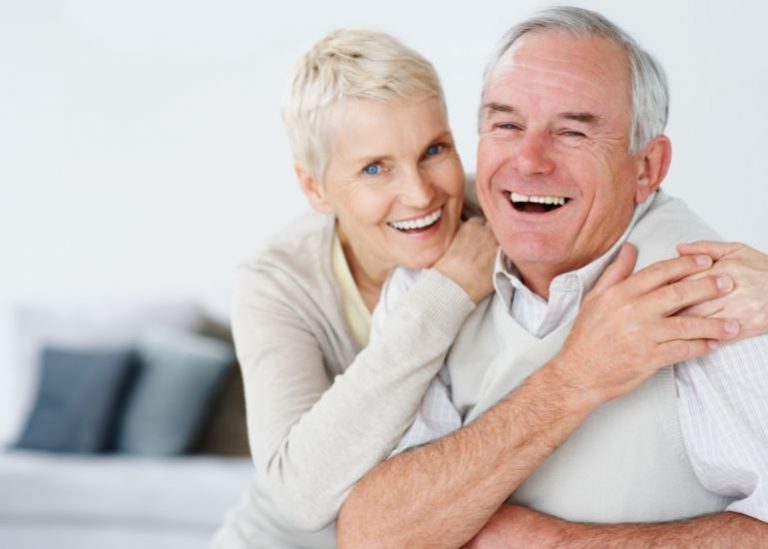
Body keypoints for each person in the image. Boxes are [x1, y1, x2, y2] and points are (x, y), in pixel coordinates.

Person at [213, 25, 768, 549]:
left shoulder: (513, 211)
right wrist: (568, 368)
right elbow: (323, 508)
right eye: (374, 168)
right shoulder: (294, 282)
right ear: (315, 188)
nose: (420, 196)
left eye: (434, 150)